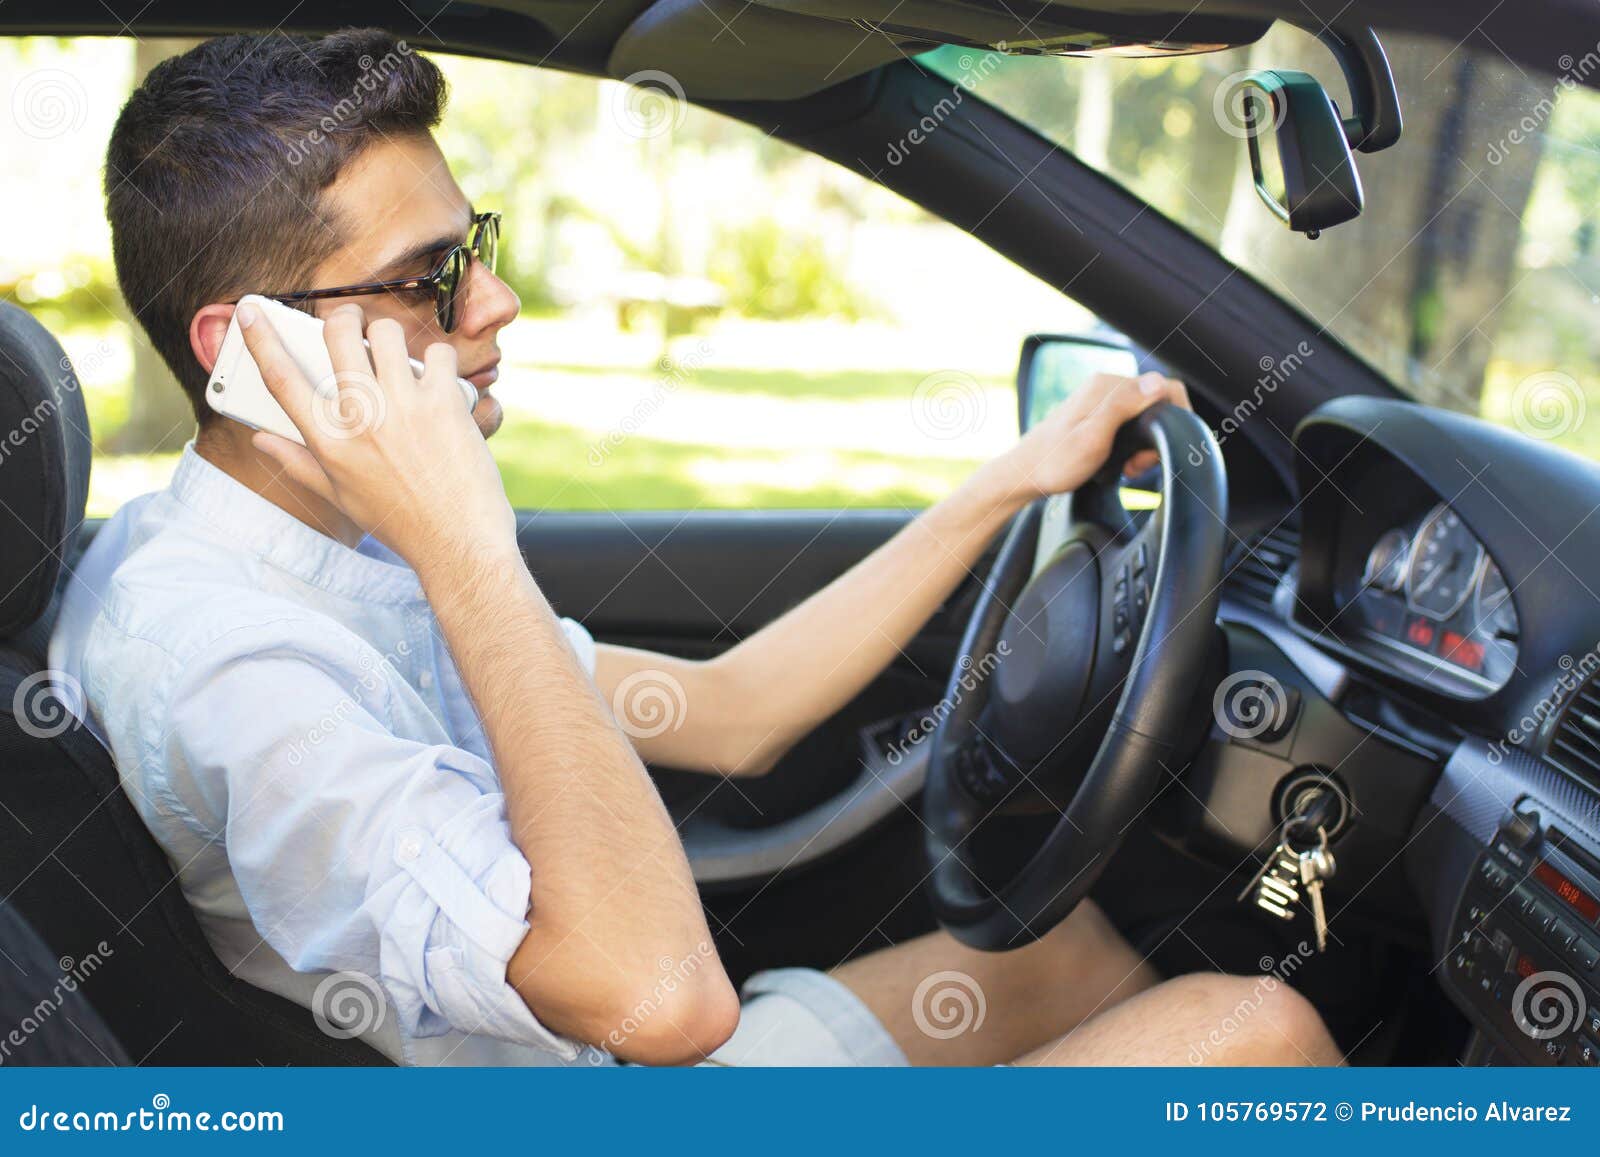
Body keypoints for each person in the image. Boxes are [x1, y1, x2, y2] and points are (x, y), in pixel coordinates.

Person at [52, 29, 1341, 1068]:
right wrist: (470, 551)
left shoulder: (288, 544)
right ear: (243, 350)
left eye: (476, 249)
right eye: (425, 275)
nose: (494, 303)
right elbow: (665, 1004)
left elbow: (730, 713)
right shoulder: (241, 667)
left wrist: (1012, 483)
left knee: (1051, 959)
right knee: (1259, 1029)